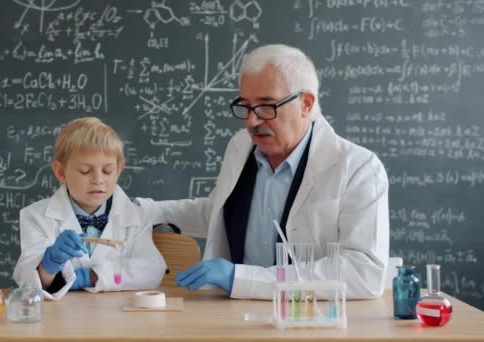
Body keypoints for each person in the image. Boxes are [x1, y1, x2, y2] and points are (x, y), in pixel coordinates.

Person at [136, 44, 389, 300]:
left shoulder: (358, 167)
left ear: (306, 103)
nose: (252, 121)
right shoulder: (240, 147)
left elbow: (364, 272)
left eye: (267, 106)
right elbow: (217, 213)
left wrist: (239, 278)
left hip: (309, 318)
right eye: (245, 106)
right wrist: (141, 211)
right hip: (233, 317)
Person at [14, 117, 166, 300]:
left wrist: (92, 276)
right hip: (60, 322)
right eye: (85, 171)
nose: (98, 180)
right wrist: (49, 265)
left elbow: (152, 272)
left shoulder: (135, 216)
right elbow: (29, 284)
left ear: (119, 170)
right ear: (61, 172)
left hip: (119, 320)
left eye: (108, 171)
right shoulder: (36, 217)